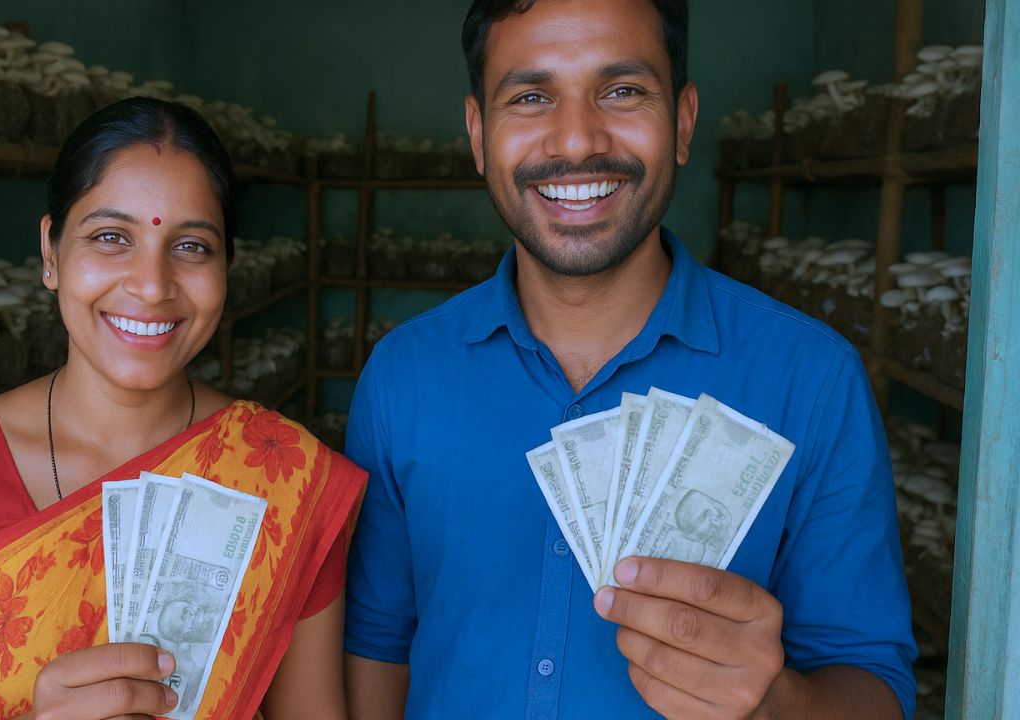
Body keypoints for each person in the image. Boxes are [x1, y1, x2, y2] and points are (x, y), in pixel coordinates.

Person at [343, 0, 916, 718]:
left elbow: (874, 682)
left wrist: (778, 704)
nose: (578, 140)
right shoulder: (401, 378)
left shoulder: (814, 380)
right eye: (529, 96)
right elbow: (377, 648)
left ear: (682, 121)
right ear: (478, 134)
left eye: (622, 91)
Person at [0, 97, 365, 720]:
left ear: (228, 266)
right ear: (51, 252)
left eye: (192, 246)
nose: (151, 284)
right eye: (111, 237)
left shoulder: (286, 478)